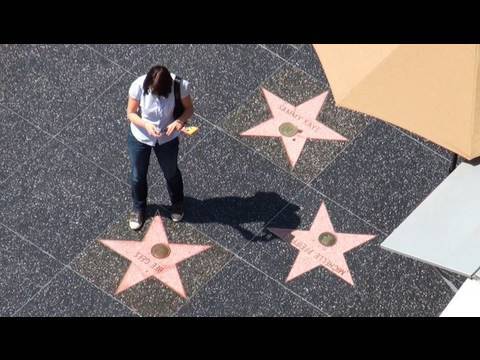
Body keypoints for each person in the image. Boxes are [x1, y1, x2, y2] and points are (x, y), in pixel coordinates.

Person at [126, 65, 193, 230]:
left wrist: (178, 121)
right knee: (137, 175)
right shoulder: (138, 85)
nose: (157, 95)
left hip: (167, 138)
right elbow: (131, 113)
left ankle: (177, 203)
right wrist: (146, 124)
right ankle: (139, 208)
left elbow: (189, 109)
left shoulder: (180, 86)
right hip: (141, 136)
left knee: (171, 172)